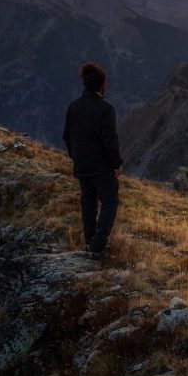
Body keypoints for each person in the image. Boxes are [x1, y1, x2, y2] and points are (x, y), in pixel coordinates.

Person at [63, 62, 123, 259]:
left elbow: (67, 136)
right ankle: (98, 246)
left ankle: (90, 241)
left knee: (88, 202)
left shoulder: (73, 107)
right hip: (101, 166)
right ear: (102, 85)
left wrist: (75, 156)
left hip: (82, 164)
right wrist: (116, 164)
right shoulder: (105, 109)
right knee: (110, 201)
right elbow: (109, 140)